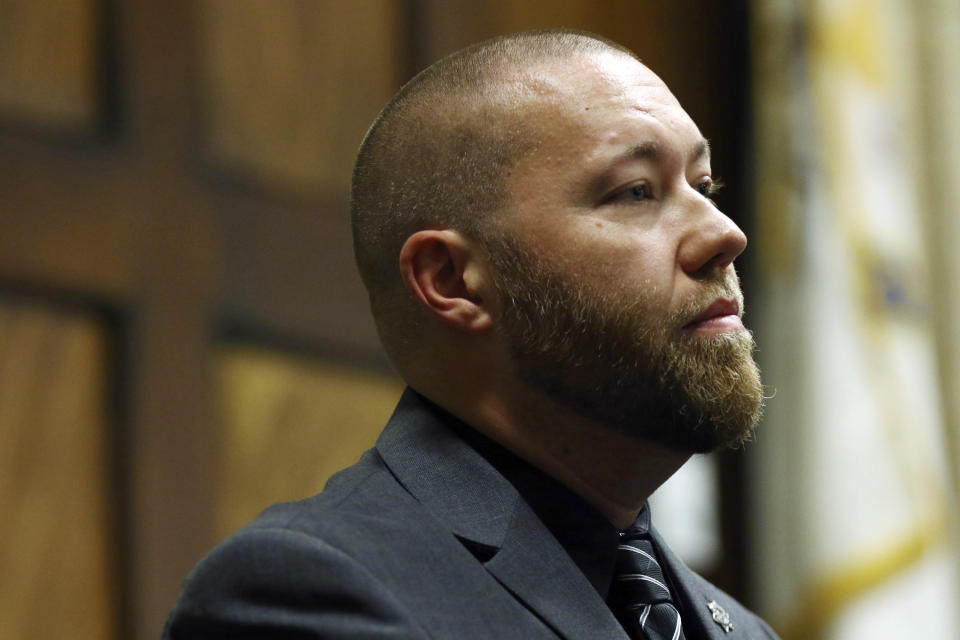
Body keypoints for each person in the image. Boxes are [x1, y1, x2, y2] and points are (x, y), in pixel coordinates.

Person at [163, 29, 779, 639]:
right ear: (453, 280)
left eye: (703, 187)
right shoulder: (312, 592)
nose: (725, 234)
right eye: (635, 192)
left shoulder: (742, 631)